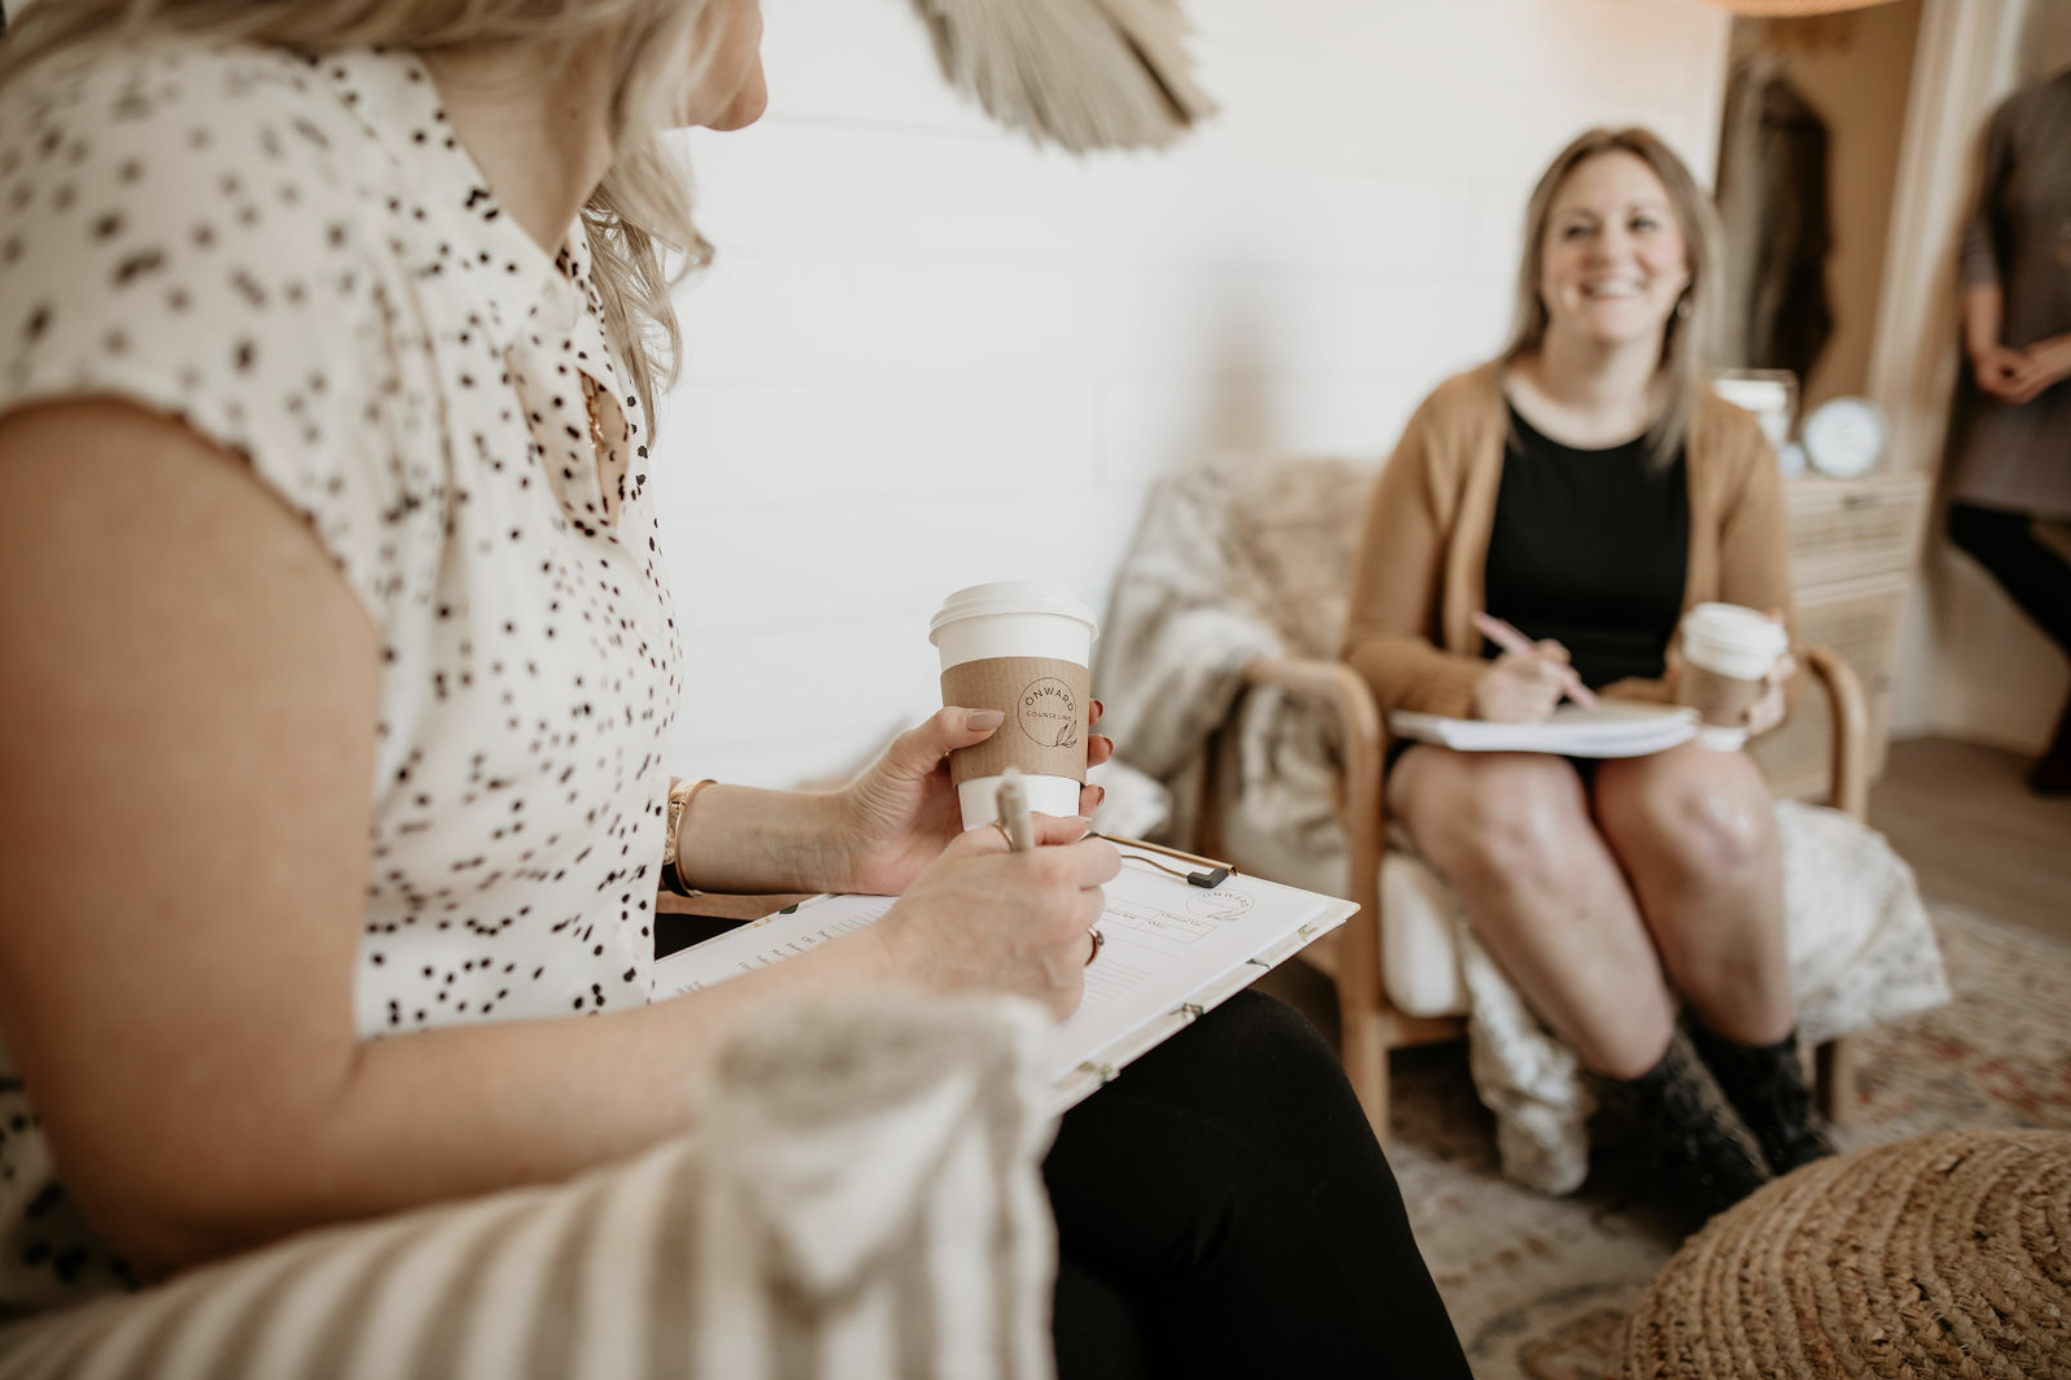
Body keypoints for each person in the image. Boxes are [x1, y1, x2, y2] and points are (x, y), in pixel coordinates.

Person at [0, 2, 1472, 1375]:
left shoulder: (544, 266)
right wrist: (901, 973)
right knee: (1063, 1321)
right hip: (243, 1260)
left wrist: (831, 837)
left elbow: (444, 787)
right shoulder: (212, 195)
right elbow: (203, 1161)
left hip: (552, 1037)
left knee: (1247, 1090)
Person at [1342, 127, 1830, 1218]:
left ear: (1687, 259)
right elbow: (1368, 646)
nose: (1610, 250)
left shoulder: (1730, 444)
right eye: (1577, 228)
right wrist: (1473, 689)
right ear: (1540, 264)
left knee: (1713, 806)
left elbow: (1777, 653)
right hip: (1481, 748)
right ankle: (1694, 1147)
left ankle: (1780, 1118)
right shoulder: (1455, 418)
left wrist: (1757, 691)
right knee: (1515, 810)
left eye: (1642, 222)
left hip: (1647, 732)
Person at [1946, 66, 2071, 796]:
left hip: (2060, 358)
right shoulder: (2026, 113)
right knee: (1976, 521)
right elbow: (1982, 233)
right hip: (2018, 360)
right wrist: (1981, 345)